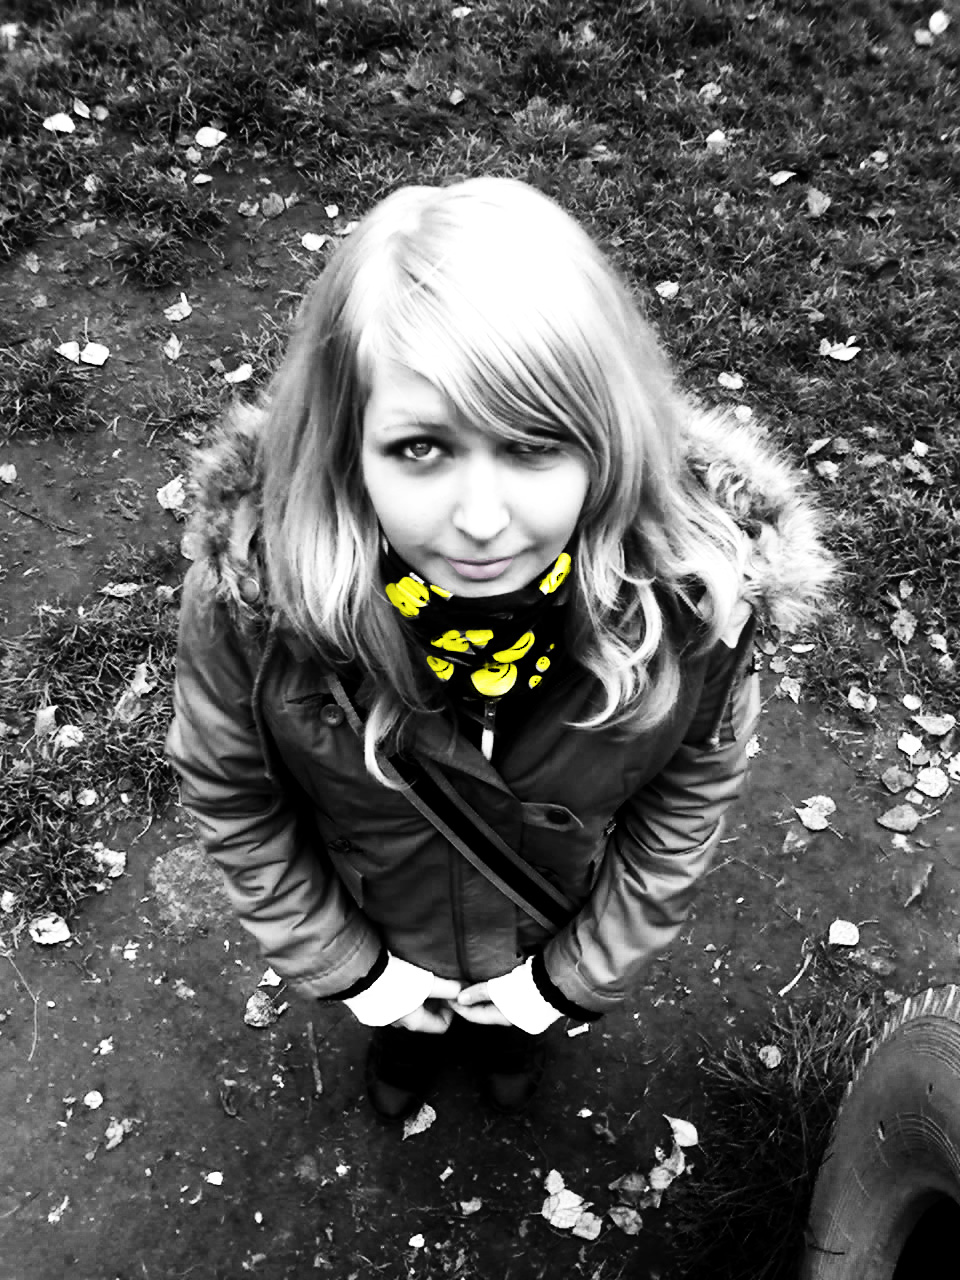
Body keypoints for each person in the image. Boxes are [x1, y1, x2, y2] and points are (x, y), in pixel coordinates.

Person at [165, 176, 834, 1122]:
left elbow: (689, 793)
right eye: (421, 449)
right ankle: (406, 1038)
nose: (481, 521)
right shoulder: (257, 604)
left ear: (607, 439)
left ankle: (511, 1038)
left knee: (512, 1032)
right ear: (346, 446)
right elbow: (232, 794)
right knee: (406, 1029)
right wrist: (359, 975)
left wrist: (559, 985)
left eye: (531, 445)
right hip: (380, 921)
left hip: (543, 925)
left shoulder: (696, 604)